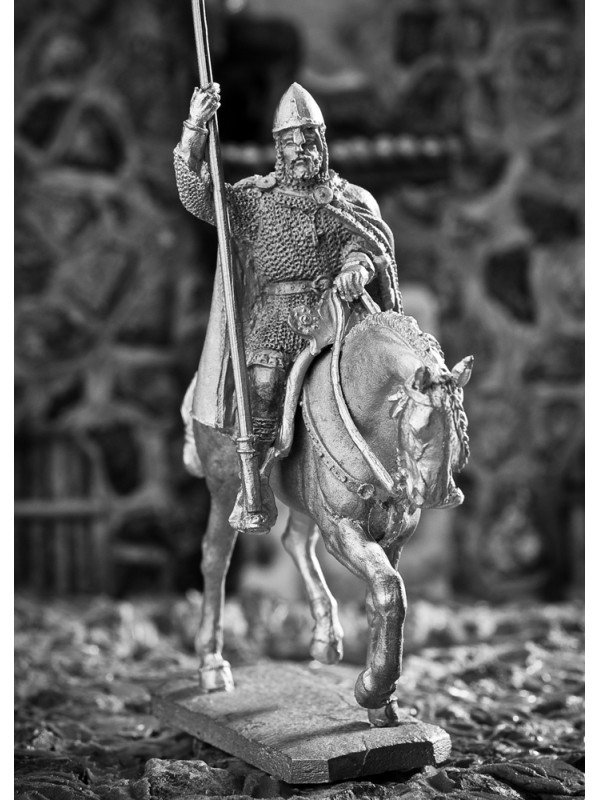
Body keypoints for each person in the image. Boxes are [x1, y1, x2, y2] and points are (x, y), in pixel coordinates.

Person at [175, 82, 401, 531]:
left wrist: (357, 267)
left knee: (384, 377)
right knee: (264, 383)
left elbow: (367, 246)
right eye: (292, 143)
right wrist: (195, 130)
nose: (302, 150)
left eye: (310, 140)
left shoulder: (351, 200)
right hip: (278, 317)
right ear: (279, 149)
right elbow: (199, 197)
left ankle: (405, 467)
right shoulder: (255, 199)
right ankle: (255, 483)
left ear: (323, 142)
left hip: (339, 312)